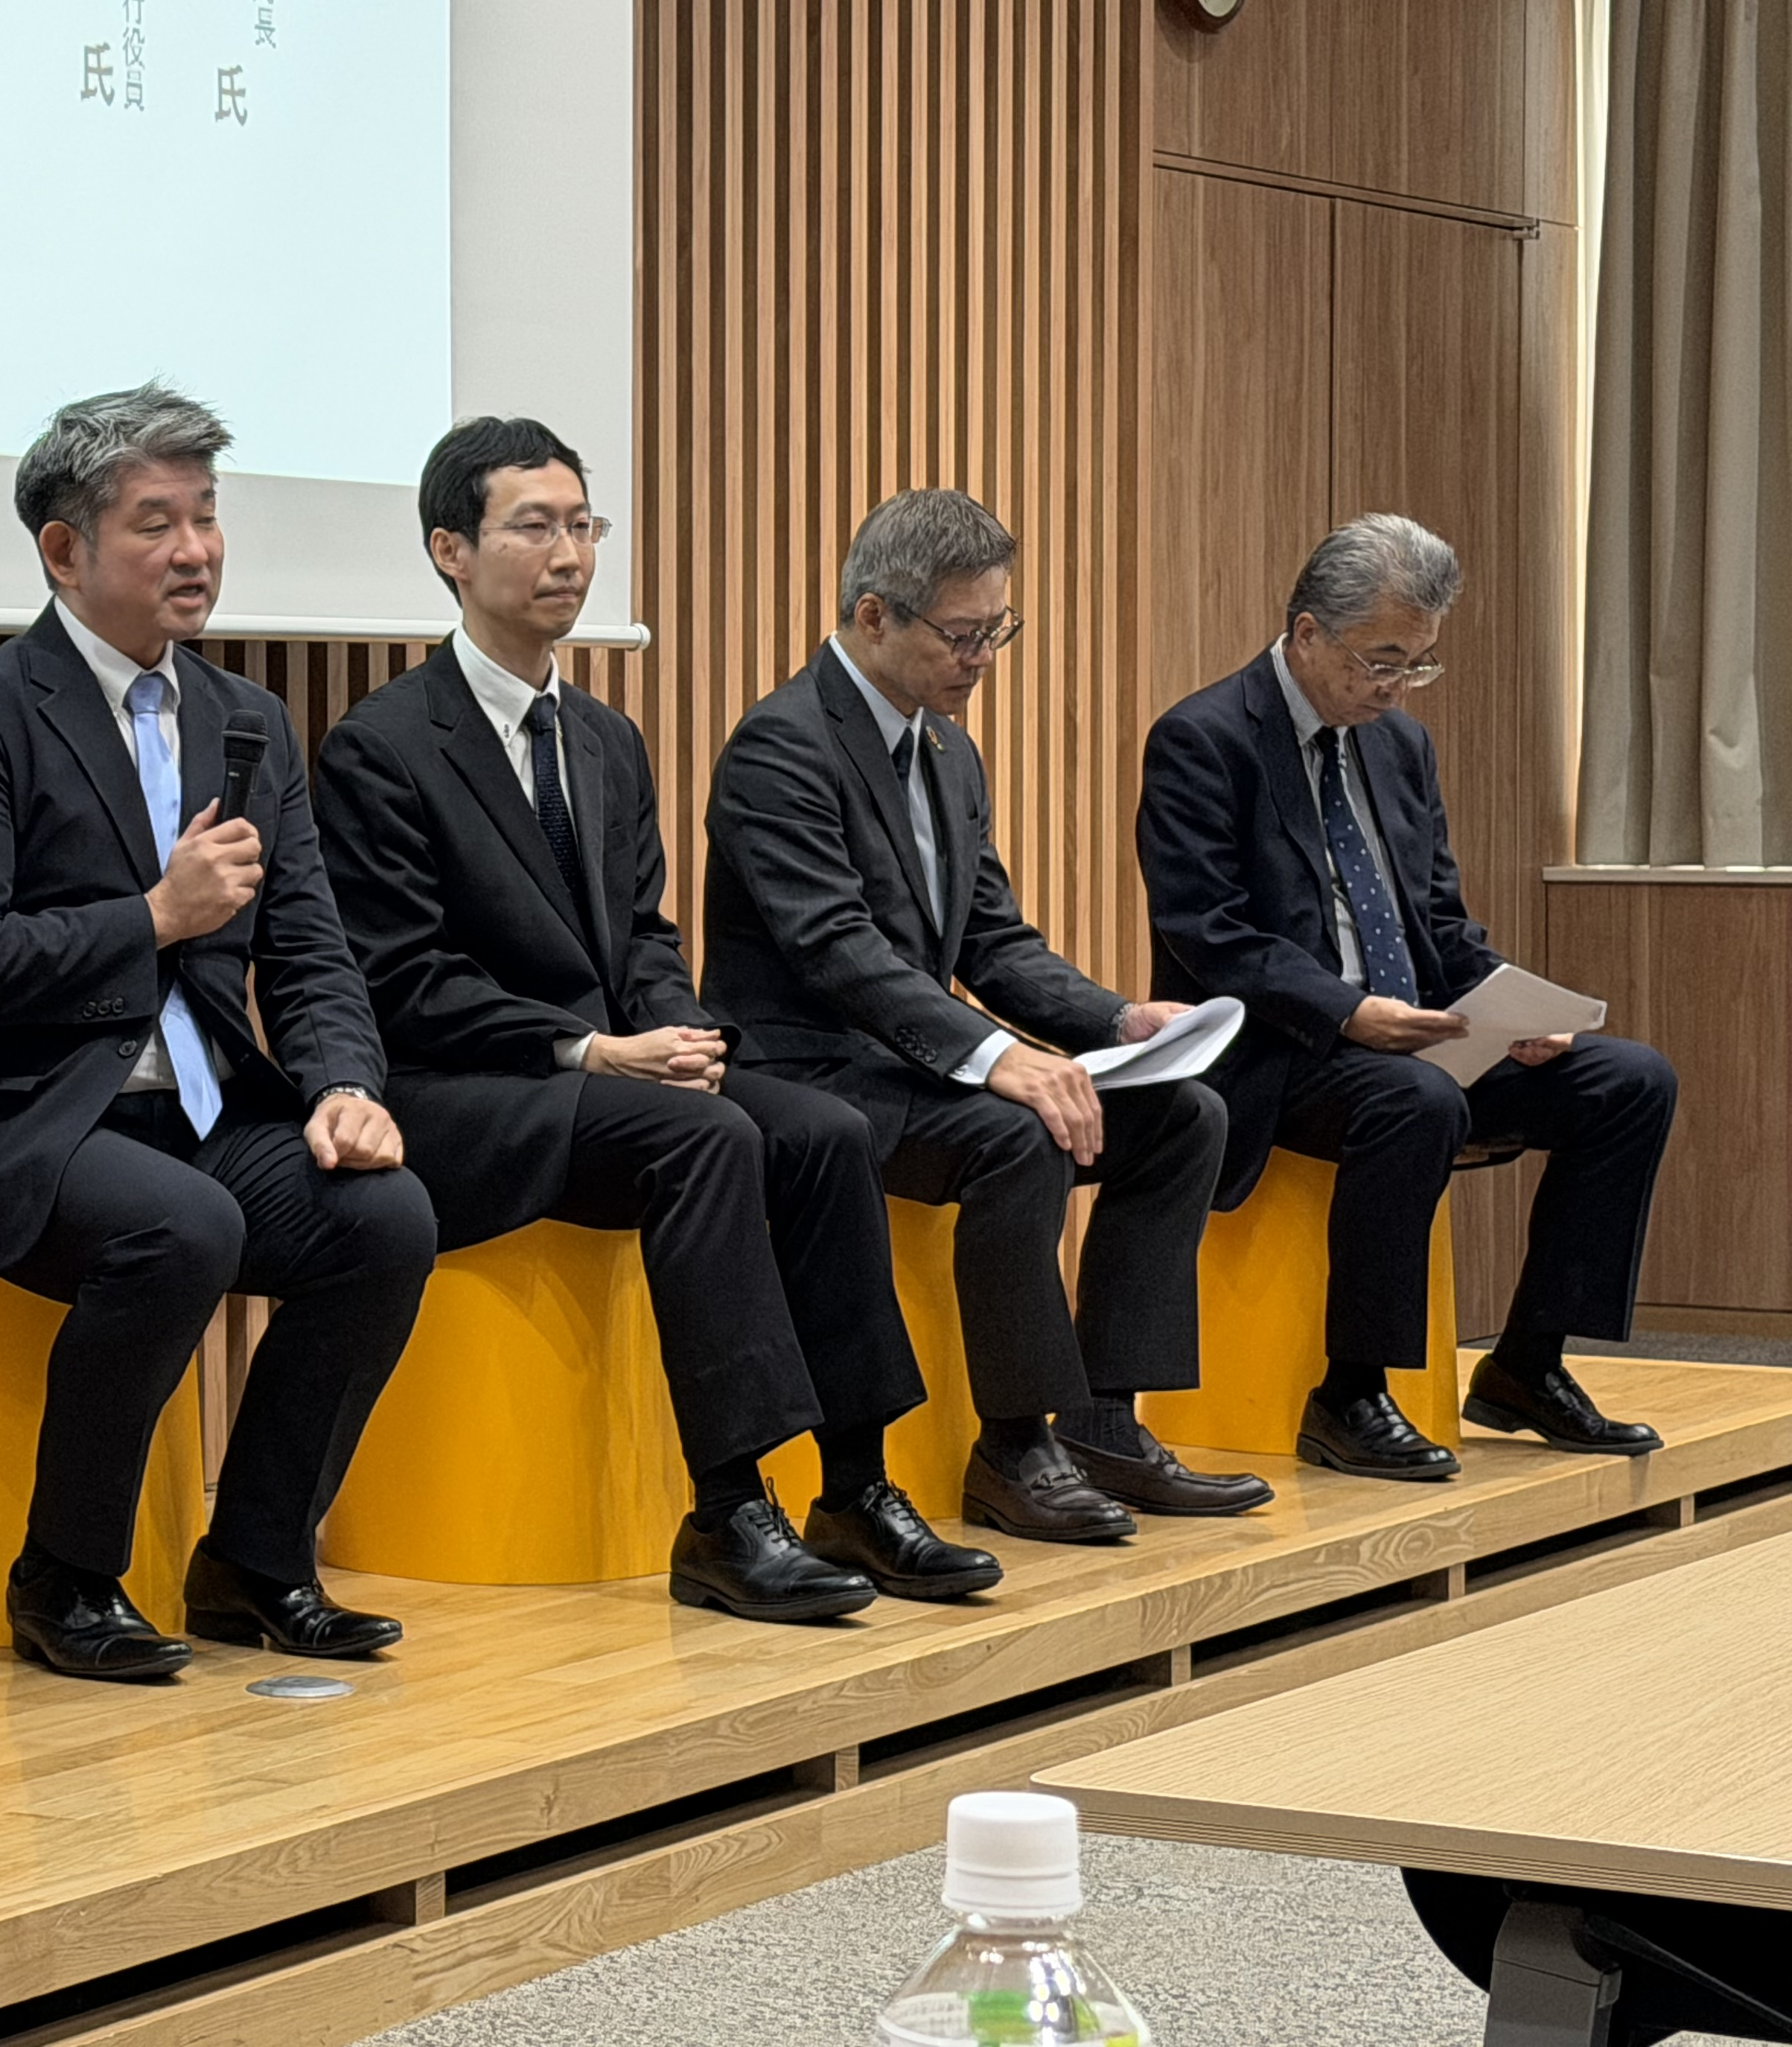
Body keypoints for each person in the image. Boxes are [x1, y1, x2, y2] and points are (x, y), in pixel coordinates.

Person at [313, 418, 995, 1612]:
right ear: (450, 553)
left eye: (584, 525)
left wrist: (683, 1041)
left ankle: (855, 1485)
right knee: (709, 1140)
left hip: (611, 1078)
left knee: (821, 1130)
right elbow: (400, 979)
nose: (570, 553)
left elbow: (647, 936)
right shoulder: (383, 746)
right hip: (467, 1092)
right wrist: (590, 1049)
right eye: (535, 525)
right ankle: (730, 1511)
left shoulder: (605, 738)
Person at [0, 381, 434, 1681]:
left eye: (207, 517)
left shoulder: (243, 722)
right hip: (24, 1121)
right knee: (182, 1228)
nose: (195, 551)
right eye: (153, 523)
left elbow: (309, 949)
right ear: (64, 550)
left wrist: (346, 1085)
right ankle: (67, 1574)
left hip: (196, 1113)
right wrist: (151, 917)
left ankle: (255, 1558)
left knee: (386, 1216)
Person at [699, 488, 1272, 1544]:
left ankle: (1106, 1418)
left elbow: (992, 941)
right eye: (963, 635)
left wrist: (1117, 1021)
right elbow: (838, 952)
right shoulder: (780, 749)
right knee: (1018, 1137)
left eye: (995, 630)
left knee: (1185, 1115)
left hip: (916, 1064)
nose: (983, 658)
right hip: (813, 1068)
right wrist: (997, 1056)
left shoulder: (947, 751)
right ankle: (1015, 1447)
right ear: (875, 617)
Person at [1137, 515, 1676, 1478]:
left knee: (1630, 1081)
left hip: (1413, 1032)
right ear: (1308, 635)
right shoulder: (1204, 739)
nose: (1394, 687)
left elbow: (1439, 919)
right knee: (1416, 1099)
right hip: (1279, 1053)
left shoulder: (1399, 747)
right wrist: (1347, 1013)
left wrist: (1513, 1007)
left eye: (1417, 665)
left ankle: (1528, 1364)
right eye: (1380, 661)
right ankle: (1351, 1392)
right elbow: (1206, 931)